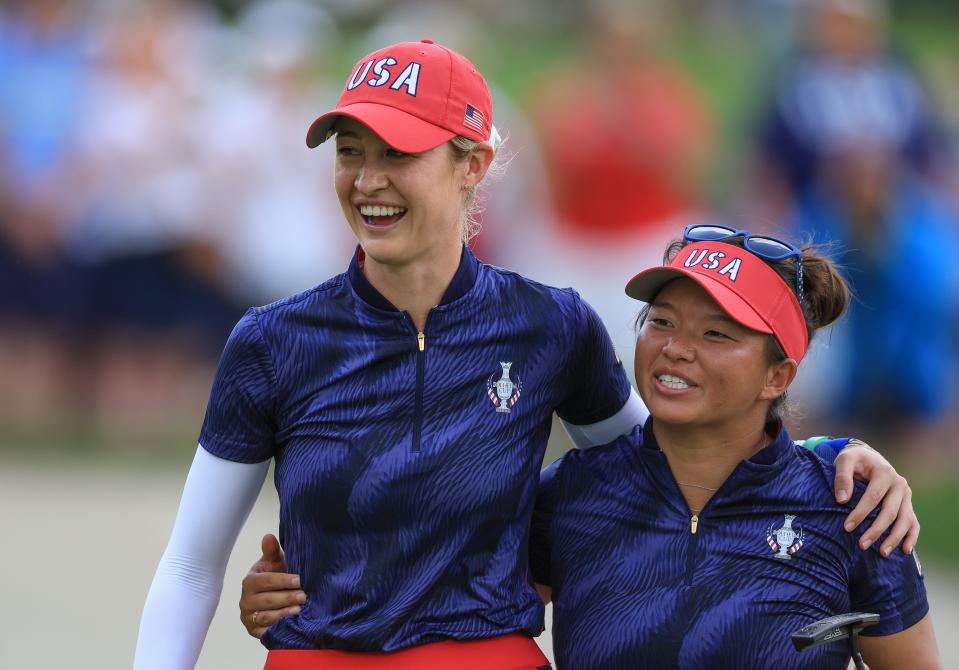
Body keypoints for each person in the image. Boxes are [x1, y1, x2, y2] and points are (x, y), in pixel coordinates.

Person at [135, 40, 914, 670]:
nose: (367, 180)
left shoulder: (549, 325)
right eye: (349, 150)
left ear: (472, 165)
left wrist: (823, 460)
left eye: (399, 153)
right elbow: (190, 565)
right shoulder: (273, 342)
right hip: (321, 659)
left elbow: (662, 459)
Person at [527, 226, 939, 668]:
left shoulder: (855, 513)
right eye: (662, 321)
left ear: (776, 377)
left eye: (716, 334)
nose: (676, 348)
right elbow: (479, 629)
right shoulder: (571, 491)